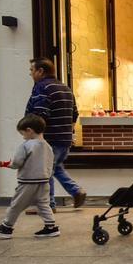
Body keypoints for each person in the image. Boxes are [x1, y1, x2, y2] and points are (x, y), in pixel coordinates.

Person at [26, 58, 86, 212]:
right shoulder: (65, 87)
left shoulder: (42, 87)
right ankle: (76, 191)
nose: (30, 74)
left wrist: (34, 136)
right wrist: (67, 131)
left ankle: (48, 205)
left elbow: (40, 114)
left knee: (45, 172)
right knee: (56, 168)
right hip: (64, 138)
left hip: (50, 138)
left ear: (41, 71)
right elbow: (75, 113)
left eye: (32, 70)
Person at [0, 115, 59, 239]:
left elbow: (17, 163)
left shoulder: (26, 145)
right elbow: (51, 164)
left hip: (28, 182)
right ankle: (51, 227)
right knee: (43, 204)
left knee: (16, 204)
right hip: (44, 181)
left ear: (29, 130)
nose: (23, 136)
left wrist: (7, 164)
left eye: (23, 133)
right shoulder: (48, 146)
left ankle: (6, 227)